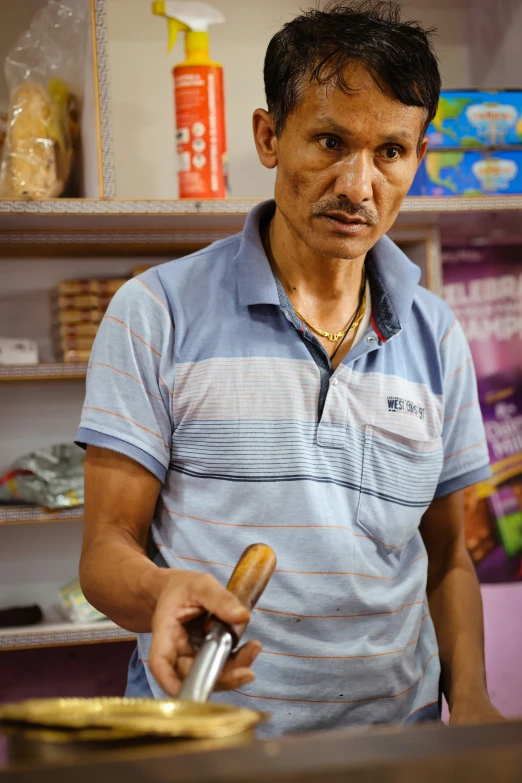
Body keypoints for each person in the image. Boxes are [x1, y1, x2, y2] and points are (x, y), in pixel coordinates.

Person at [78, 1, 503, 736]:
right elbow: (105, 549)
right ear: (269, 136)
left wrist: (469, 697)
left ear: (419, 158)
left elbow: (447, 558)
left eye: (390, 152)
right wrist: (158, 590)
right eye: (331, 141)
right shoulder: (155, 312)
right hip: (208, 741)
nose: (357, 185)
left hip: (395, 742)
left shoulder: (437, 334)